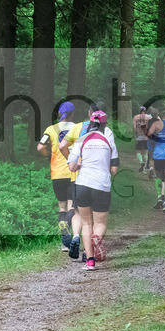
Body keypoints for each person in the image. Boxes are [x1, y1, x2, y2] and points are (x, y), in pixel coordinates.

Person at [67, 107, 118, 270]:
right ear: (104, 125)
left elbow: (72, 167)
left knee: (86, 223)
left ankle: (90, 261)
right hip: (102, 185)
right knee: (100, 223)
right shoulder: (108, 141)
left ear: (90, 123)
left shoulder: (81, 140)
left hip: (82, 185)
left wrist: (82, 164)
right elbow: (114, 168)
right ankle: (97, 237)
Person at [38, 102, 78, 254]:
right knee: (72, 206)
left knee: (61, 207)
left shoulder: (51, 129)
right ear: (73, 113)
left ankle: (64, 241)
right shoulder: (76, 128)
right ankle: (69, 231)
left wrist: (48, 155)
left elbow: (40, 147)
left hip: (56, 173)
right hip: (72, 172)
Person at [131, 106, 151, 172]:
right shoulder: (149, 117)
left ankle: (141, 162)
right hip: (146, 137)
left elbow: (134, 127)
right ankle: (144, 169)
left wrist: (134, 135)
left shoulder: (136, 117)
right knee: (145, 153)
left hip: (138, 137)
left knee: (138, 151)